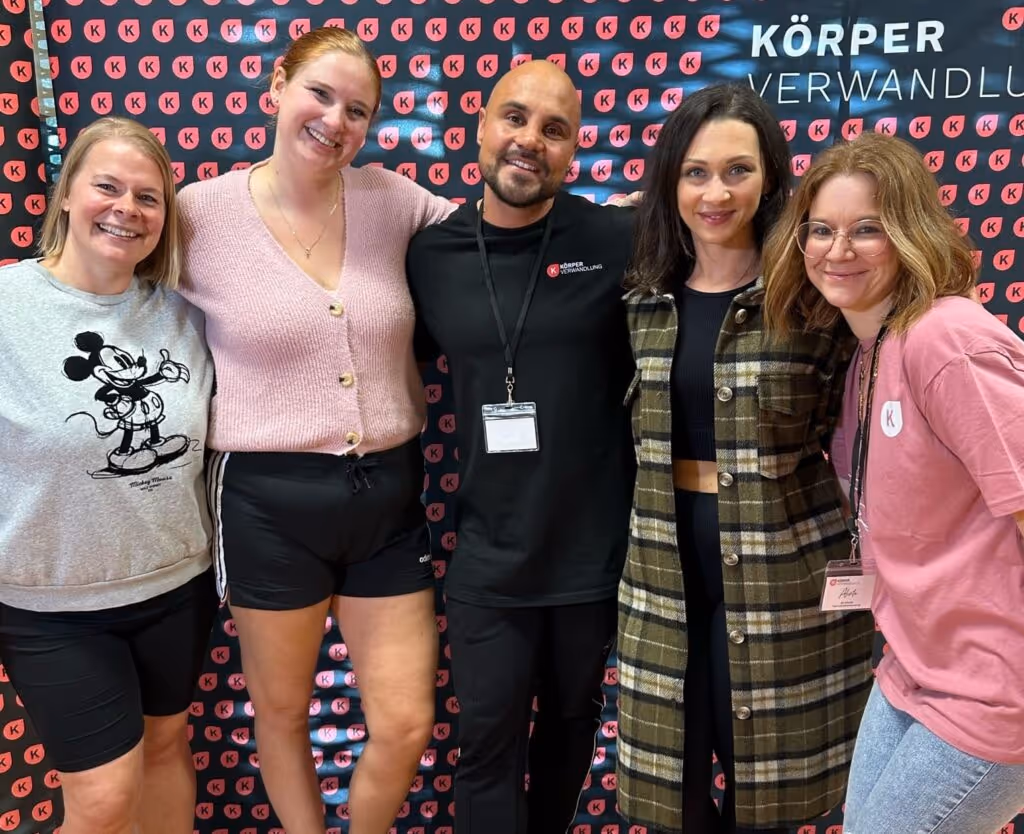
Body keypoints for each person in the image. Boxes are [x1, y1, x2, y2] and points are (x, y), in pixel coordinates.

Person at [176, 27, 455, 834]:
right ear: (276, 86)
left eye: (358, 111)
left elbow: (496, 237)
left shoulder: (391, 199)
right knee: (282, 710)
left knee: (404, 722)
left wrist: (627, 219)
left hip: (388, 500)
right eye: (321, 95)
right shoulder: (200, 214)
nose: (337, 121)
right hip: (267, 502)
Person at [616, 83, 875, 834]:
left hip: (783, 566)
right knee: (676, 792)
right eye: (695, 172)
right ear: (670, 181)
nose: (715, 192)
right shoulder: (641, 298)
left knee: (766, 792)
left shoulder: (813, 294)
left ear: (769, 178)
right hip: (663, 566)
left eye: (737, 170)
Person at [763, 130, 1024, 834]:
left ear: (908, 234)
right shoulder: (872, 349)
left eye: (866, 229)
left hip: (994, 690)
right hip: (912, 667)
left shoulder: (947, 339)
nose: (837, 250)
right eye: (821, 229)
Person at [406, 60, 636, 834]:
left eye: (554, 128)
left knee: (572, 732)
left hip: (591, 560)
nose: (529, 140)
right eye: (514, 118)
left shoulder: (615, 238)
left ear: (574, 149)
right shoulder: (430, 257)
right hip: (486, 561)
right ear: (480, 125)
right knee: (485, 748)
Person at [0, 117, 215, 834]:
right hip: (50, 605)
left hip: (172, 587)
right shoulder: (8, 308)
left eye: (148, 198)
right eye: (108, 188)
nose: (127, 209)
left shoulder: (184, 313)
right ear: (66, 196)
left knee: (164, 751)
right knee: (102, 801)